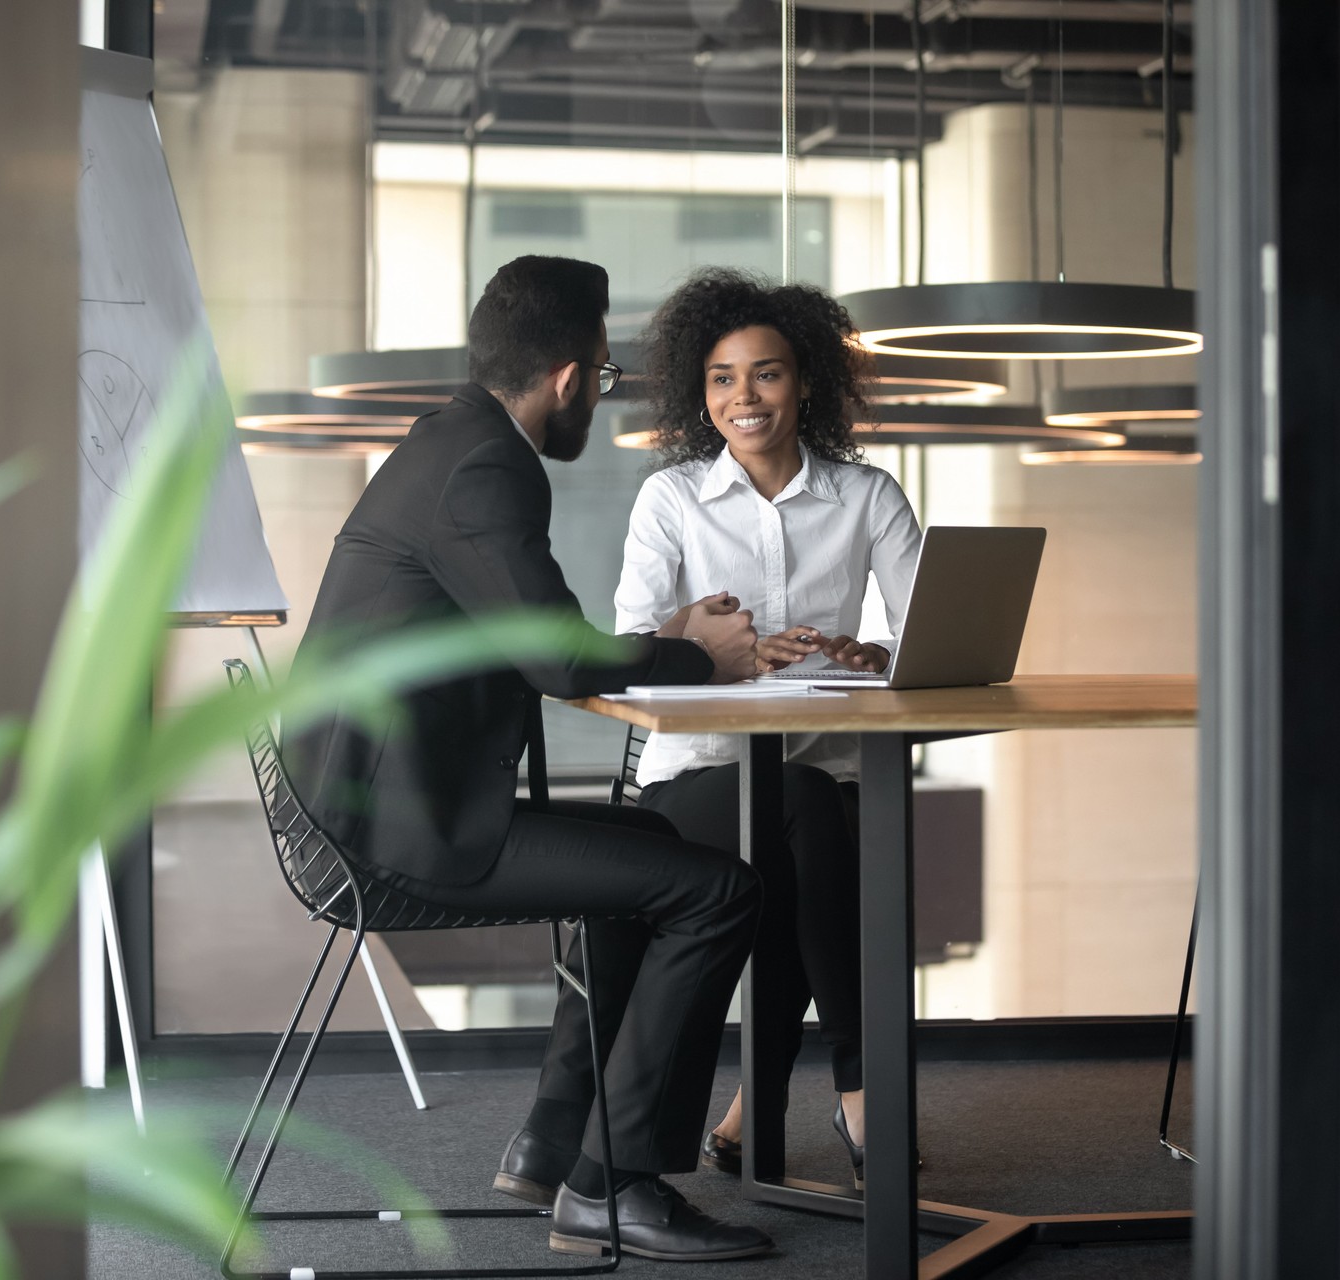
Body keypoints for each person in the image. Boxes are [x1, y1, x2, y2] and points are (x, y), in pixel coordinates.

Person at [286, 255, 777, 1262]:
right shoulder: (484, 466)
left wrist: (671, 635)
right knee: (719, 891)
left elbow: (533, 632)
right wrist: (697, 653)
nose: (601, 393)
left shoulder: (455, 441)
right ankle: (614, 1180)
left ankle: (558, 1136)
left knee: (644, 845)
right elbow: (554, 657)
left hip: (387, 799)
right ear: (567, 376)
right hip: (390, 827)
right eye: (604, 373)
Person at [615, 268, 923, 1189]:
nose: (743, 396)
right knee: (801, 807)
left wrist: (872, 653)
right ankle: (867, 1090)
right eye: (721, 377)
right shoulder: (669, 500)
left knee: (805, 823)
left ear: (808, 384)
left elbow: (925, 636)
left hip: (827, 771)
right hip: (694, 781)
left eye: (767, 374)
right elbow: (630, 642)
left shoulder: (868, 497)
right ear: (698, 394)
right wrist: (720, 649)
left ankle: (754, 1112)